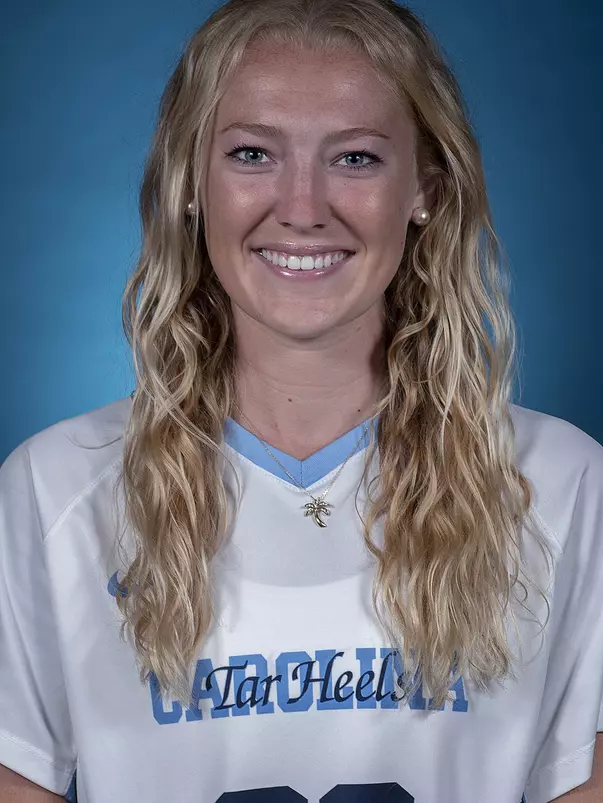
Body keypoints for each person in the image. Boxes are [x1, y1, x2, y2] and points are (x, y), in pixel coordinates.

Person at [1, 0, 603, 800]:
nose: (303, 206)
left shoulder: (561, 484)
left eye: (354, 159)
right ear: (191, 184)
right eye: (253, 153)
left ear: (423, 189)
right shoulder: (56, 490)